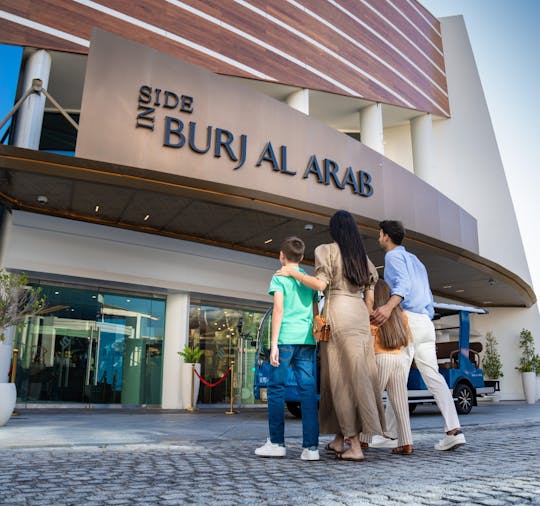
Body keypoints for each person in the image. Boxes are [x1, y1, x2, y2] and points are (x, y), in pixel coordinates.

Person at [277, 210, 385, 461]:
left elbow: (321, 285)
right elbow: (370, 298)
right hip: (358, 315)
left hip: (338, 312)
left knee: (339, 381)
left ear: (335, 229)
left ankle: (355, 447)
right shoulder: (363, 258)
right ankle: (339, 441)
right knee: (358, 376)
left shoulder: (327, 251)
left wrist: (293, 272)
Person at [371, 220, 466, 451]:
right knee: (433, 376)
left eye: (379, 234)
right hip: (426, 321)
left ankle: (393, 435)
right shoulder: (417, 261)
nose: (378, 237)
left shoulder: (393, 257)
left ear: (385, 236)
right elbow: (427, 293)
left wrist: (388, 307)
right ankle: (453, 429)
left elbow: (402, 285)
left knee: (396, 379)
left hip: (408, 321)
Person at [254, 236, 320, 461]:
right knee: (308, 393)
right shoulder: (307, 279)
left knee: (276, 389)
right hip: (307, 341)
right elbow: (315, 310)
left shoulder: (279, 277)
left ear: (281, 256)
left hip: (284, 341)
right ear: (302, 258)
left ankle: (276, 443)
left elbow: (278, 311)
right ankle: (311, 448)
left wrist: (273, 344)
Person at [361, 279, 414, 455]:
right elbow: (408, 340)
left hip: (380, 358)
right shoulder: (400, 315)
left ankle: (363, 440)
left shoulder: (373, 315)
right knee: (400, 405)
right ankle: (406, 442)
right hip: (398, 358)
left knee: (371, 400)